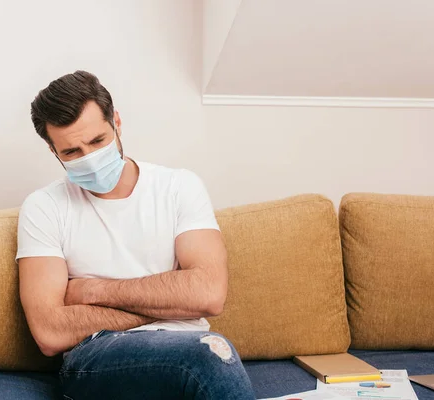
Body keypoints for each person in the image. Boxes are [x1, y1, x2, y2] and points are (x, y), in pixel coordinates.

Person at [17, 70, 256, 399]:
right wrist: (171, 302)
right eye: (72, 152)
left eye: (98, 141)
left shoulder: (178, 187)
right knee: (209, 354)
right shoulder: (43, 207)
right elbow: (49, 332)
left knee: (203, 355)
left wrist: (92, 291)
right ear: (53, 151)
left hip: (185, 344)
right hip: (99, 354)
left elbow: (209, 294)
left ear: (116, 122)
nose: (89, 159)